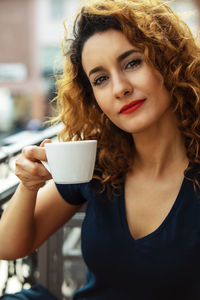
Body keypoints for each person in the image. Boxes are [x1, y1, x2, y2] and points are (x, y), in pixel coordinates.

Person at [0, 0, 200, 298]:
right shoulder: (97, 162)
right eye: (101, 79)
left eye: (133, 63)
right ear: (93, 96)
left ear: (168, 61)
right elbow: (9, 247)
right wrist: (28, 186)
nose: (120, 88)